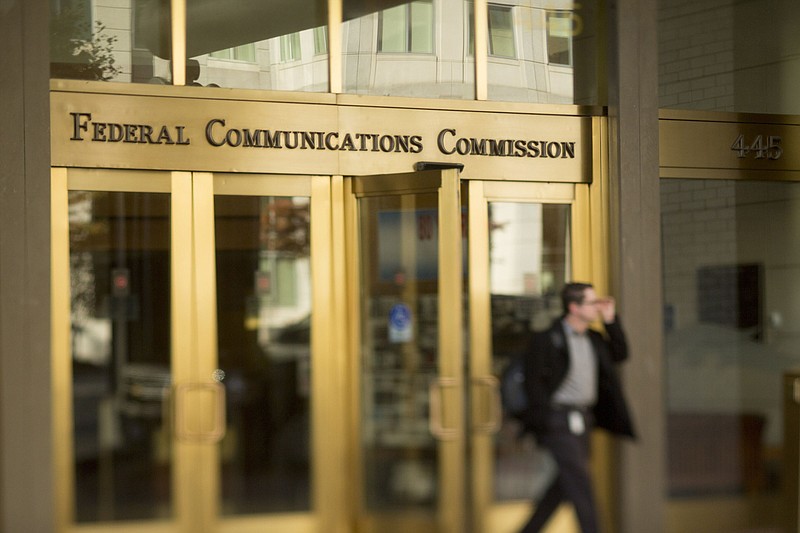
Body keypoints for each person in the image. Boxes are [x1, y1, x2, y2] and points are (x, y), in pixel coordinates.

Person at [519, 282, 635, 533]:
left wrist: (610, 320)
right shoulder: (548, 339)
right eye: (592, 303)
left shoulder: (594, 339)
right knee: (580, 481)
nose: (597, 307)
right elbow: (534, 383)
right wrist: (544, 420)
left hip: (583, 419)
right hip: (558, 419)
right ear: (573, 307)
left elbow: (621, 353)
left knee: (565, 482)